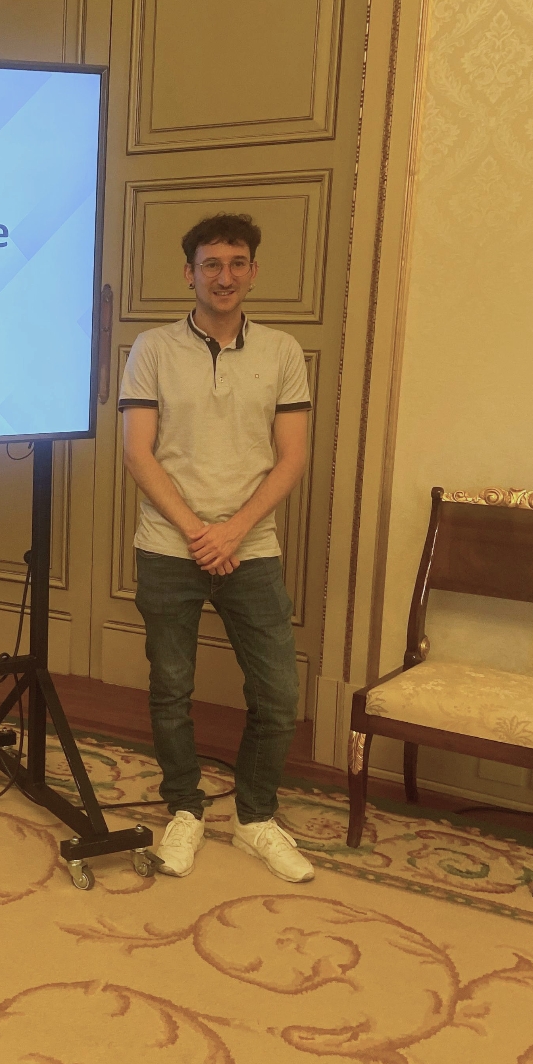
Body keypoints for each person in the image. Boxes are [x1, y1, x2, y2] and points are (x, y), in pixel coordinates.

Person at [117, 212, 314, 884]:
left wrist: (232, 531)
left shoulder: (283, 352)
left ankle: (256, 818)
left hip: (251, 549)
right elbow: (138, 453)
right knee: (171, 689)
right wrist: (200, 532)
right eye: (210, 265)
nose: (223, 277)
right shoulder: (151, 349)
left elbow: (292, 458)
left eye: (235, 264)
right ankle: (185, 809)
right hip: (168, 547)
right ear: (190, 273)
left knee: (278, 695)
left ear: (253, 272)